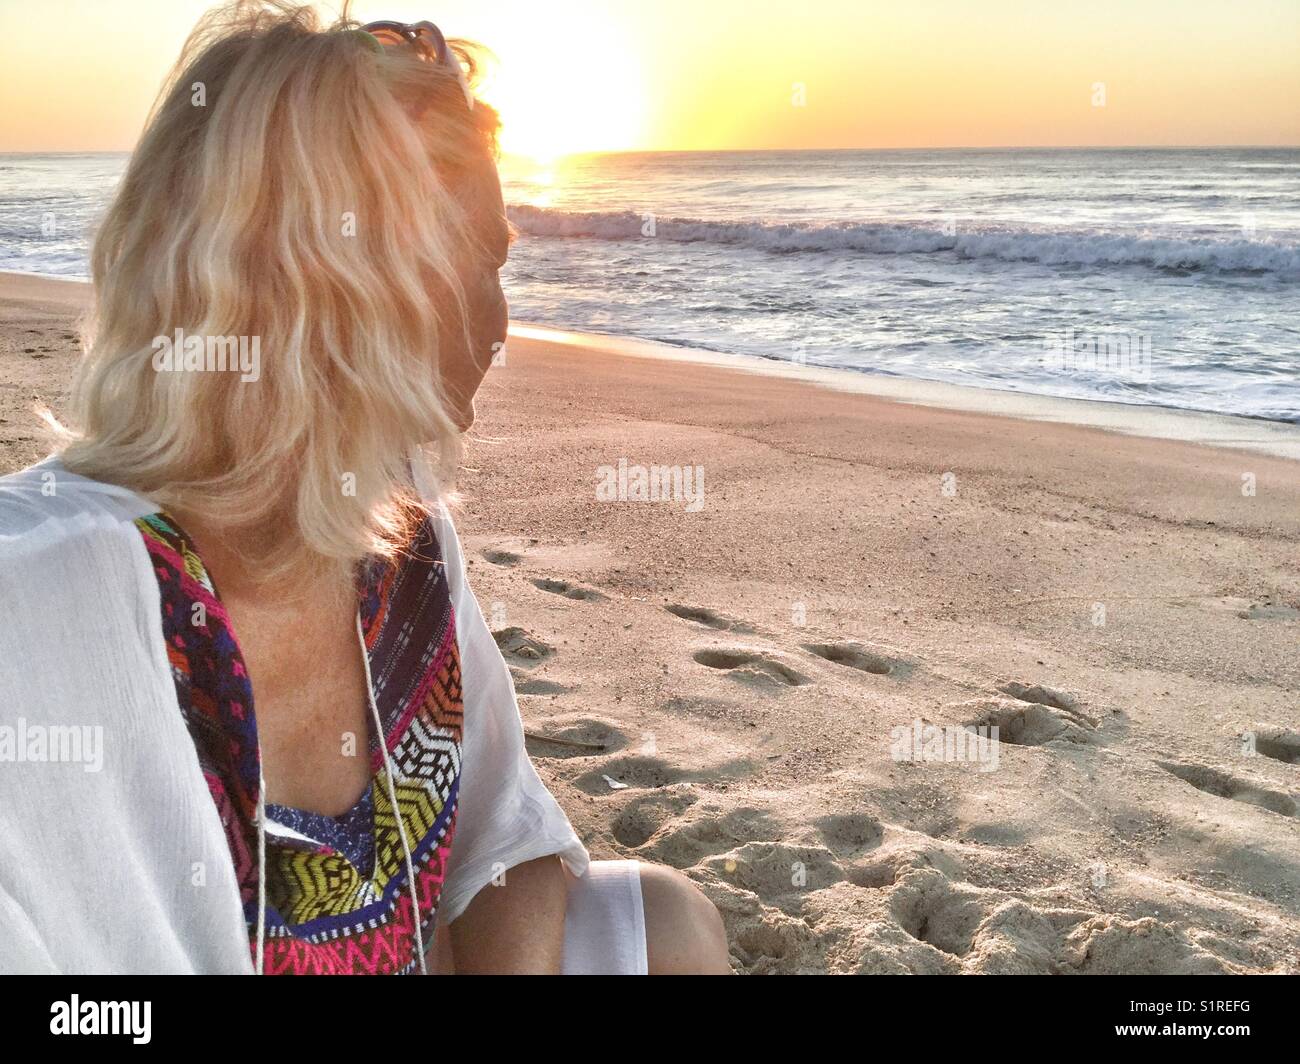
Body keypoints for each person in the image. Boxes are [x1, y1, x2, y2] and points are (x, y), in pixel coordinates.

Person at [0, 0, 729, 975]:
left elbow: (504, 841)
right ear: (343, 282)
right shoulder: (50, 593)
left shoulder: (398, 536)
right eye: (484, 260)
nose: (503, 320)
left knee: (663, 920)